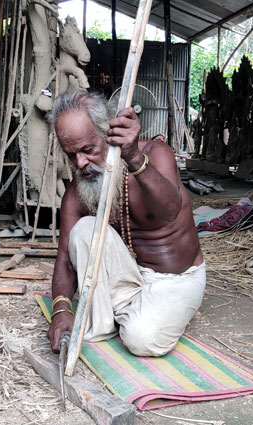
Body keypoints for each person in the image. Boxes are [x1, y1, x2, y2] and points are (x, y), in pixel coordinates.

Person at [46, 91, 205, 357]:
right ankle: (125, 315)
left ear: (110, 134)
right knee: (83, 230)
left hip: (174, 280)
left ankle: (127, 318)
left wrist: (132, 158)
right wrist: (61, 311)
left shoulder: (155, 154)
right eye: (70, 155)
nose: (80, 163)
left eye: (88, 150)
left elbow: (169, 211)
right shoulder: (77, 192)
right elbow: (64, 258)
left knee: (142, 339)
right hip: (127, 283)